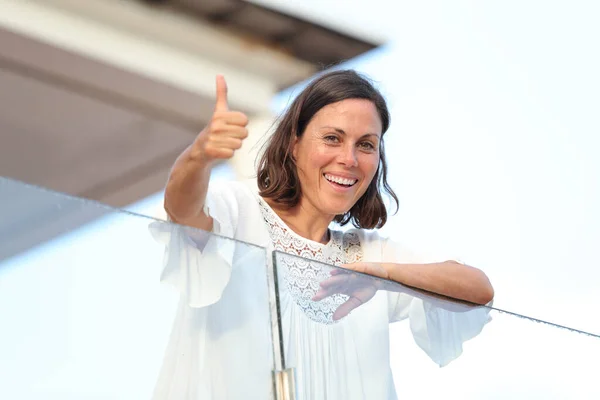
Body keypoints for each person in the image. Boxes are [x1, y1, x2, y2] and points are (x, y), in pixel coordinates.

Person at [151, 70, 494, 399]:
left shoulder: (367, 255)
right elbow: (182, 211)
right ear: (294, 144)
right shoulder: (239, 210)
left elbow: (479, 290)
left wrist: (387, 276)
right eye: (332, 138)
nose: (348, 159)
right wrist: (199, 156)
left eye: (366, 144)